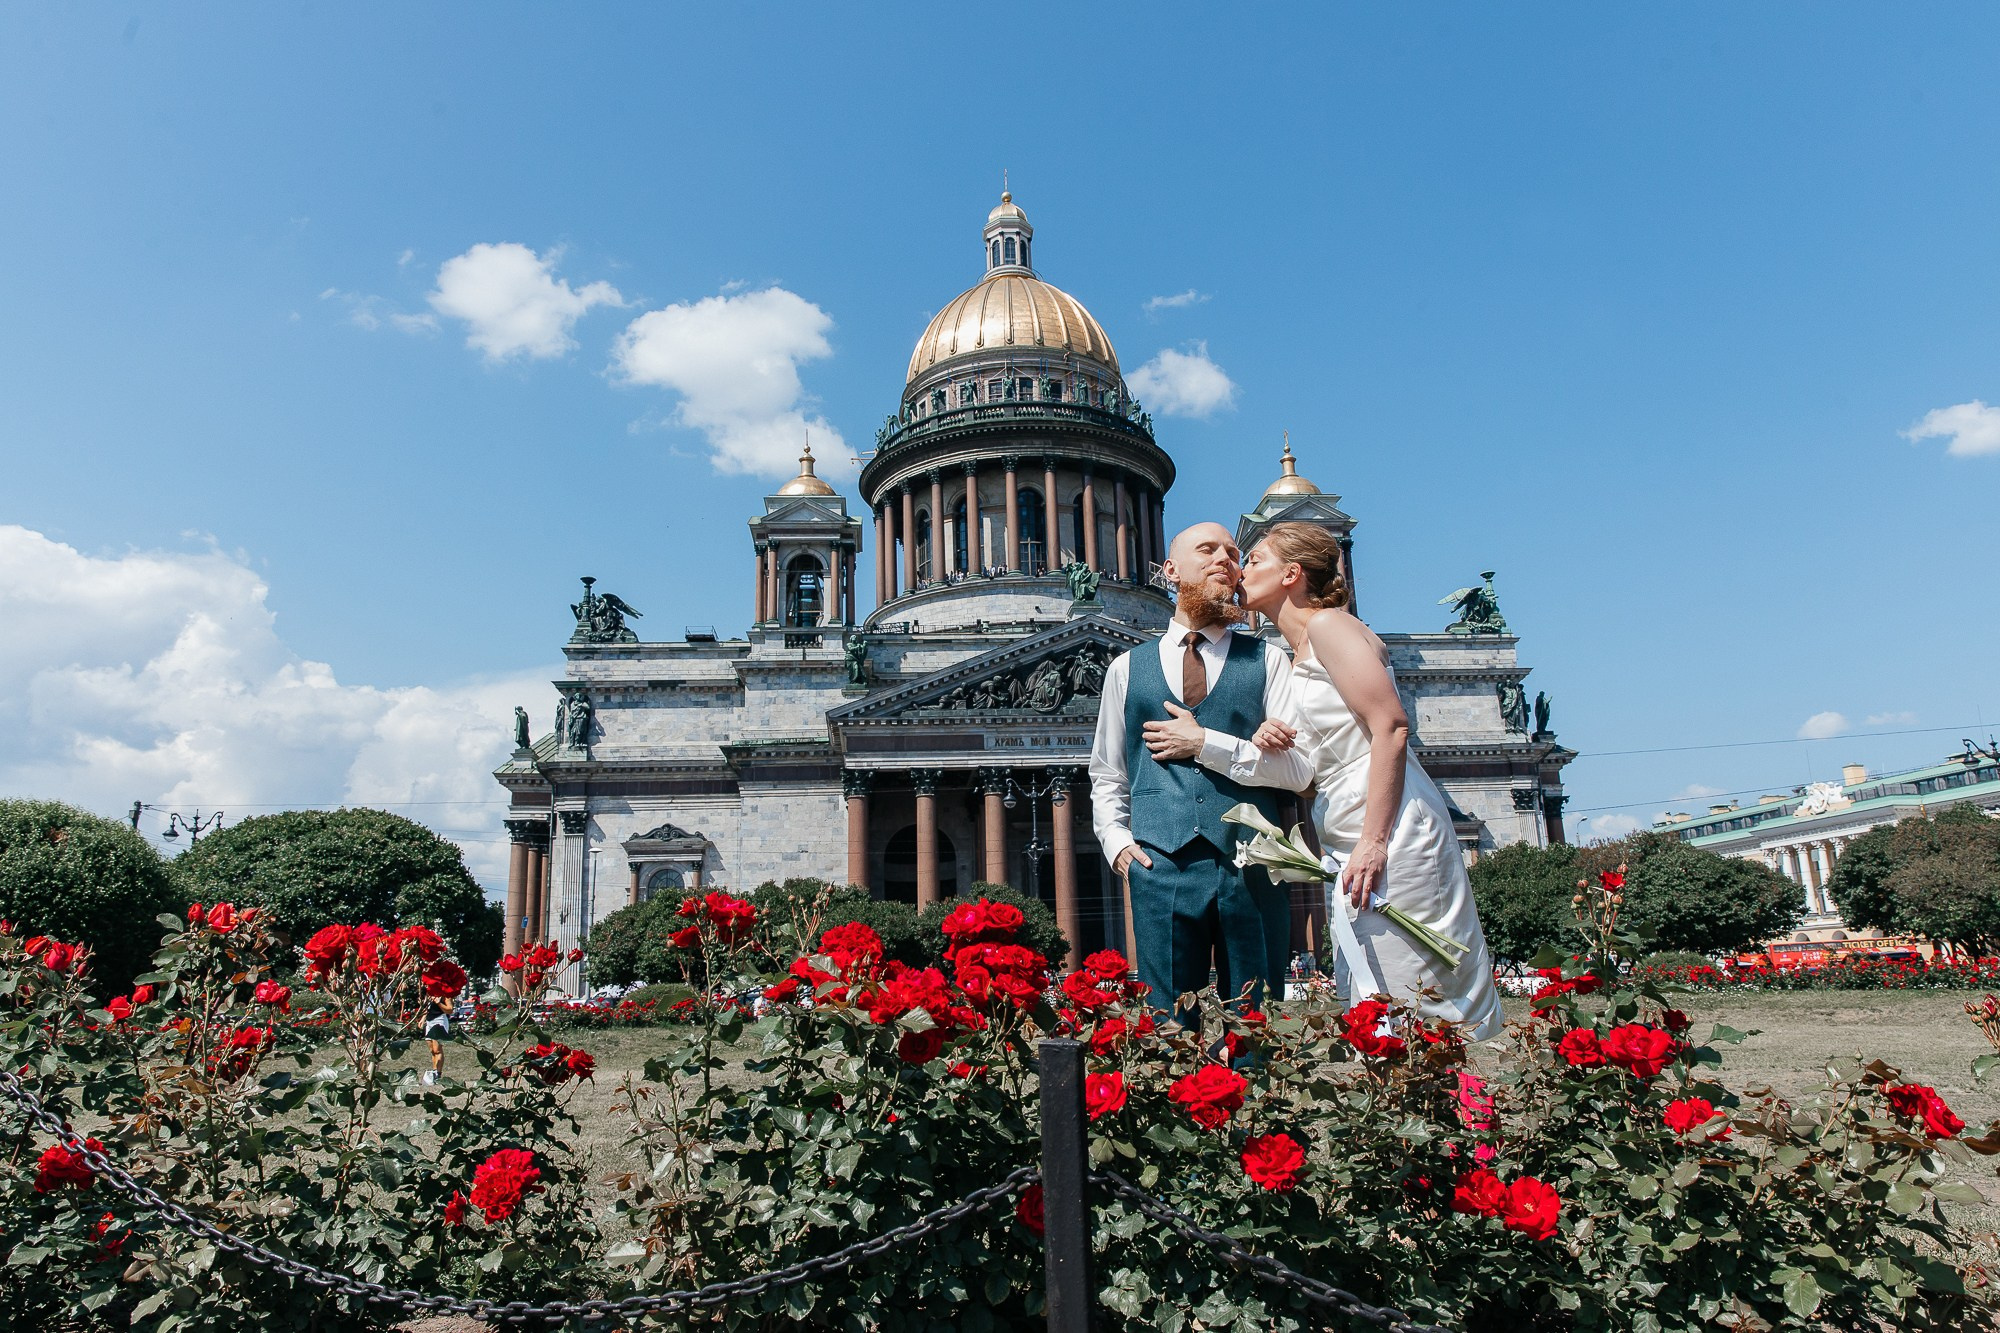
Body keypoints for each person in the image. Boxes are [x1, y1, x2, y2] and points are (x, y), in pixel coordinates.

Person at [1237, 522, 1503, 1038]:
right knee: (1379, 1002)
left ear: (1292, 574)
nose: (1241, 570)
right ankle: (1419, 1112)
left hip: (1392, 826)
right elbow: (1316, 769)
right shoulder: (1296, 654)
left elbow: (1391, 726)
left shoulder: (1329, 627)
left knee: (1416, 1004)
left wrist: (1374, 842)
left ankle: (1458, 1112)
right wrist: (1274, 738)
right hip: (1350, 824)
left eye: (1255, 559)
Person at [1089, 522, 1315, 1024]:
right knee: (1167, 1029)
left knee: (1254, 1027)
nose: (1225, 560)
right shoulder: (1125, 669)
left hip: (1254, 865)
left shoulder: (1270, 660)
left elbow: (1300, 771)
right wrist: (1117, 842)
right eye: (1208, 549)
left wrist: (1206, 743)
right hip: (1159, 864)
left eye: (1233, 553)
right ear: (1169, 571)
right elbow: (1108, 771)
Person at [423, 995, 449, 1085]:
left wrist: (439, 1003)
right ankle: (434, 1072)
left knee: (437, 1050)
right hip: (429, 1021)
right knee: (432, 1050)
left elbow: (450, 1009)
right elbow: (427, 1008)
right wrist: (423, 1019)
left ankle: (438, 1073)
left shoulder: (445, 995)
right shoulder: (429, 994)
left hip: (439, 1020)